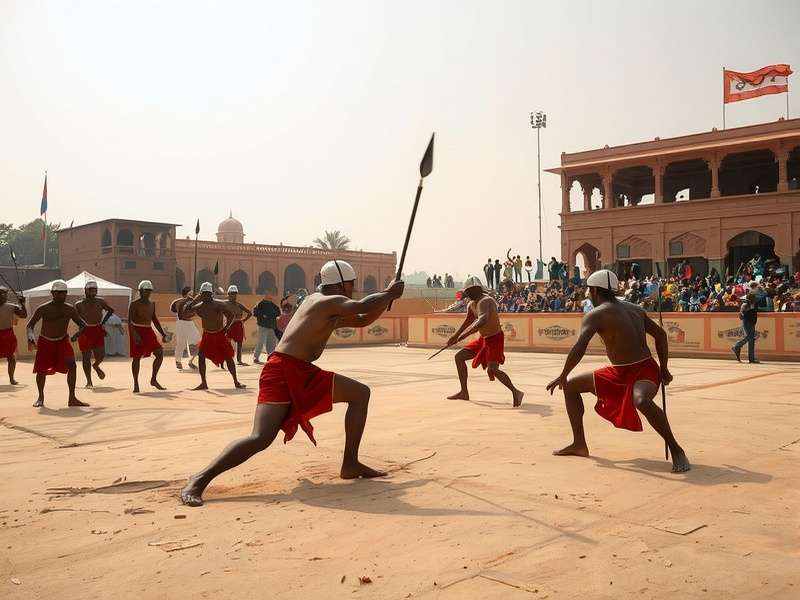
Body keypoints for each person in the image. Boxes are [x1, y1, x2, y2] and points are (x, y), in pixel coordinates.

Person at [179, 260, 404, 507]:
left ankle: (350, 464)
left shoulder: (323, 305)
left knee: (360, 394)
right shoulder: (325, 301)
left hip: (302, 370)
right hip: (281, 370)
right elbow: (361, 305)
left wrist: (386, 298)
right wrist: (387, 293)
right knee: (260, 438)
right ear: (341, 283)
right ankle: (199, 479)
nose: (352, 289)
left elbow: (362, 319)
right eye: (351, 284)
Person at [545, 269, 690, 473]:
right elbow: (661, 335)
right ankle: (579, 444)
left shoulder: (597, 314)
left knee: (641, 400)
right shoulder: (635, 308)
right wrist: (564, 377)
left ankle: (676, 449)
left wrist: (663, 370)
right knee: (570, 387)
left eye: (588, 291)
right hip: (619, 373)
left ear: (595, 290)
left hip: (644, 371)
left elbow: (580, 346)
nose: (588, 295)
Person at [445, 277, 524, 406]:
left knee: (492, 369)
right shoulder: (472, 304)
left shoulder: (486, 301)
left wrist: (463, 336)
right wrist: (455, 335)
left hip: (495, 338)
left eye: (469, 292)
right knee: (459, 357)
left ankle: (516, 392)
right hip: (483, 339)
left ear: (476, 290)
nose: (468, 295)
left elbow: (483, 319)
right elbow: (468, 321)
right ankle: (464, 392)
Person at [26, 280, 89, 408]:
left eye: (64, 293)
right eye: (58, 293)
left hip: (62, 341)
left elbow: (83, 325)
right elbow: (30, 325)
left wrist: (77, 335)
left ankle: (72, 398)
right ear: (52, 293)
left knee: (72, 365)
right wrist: (31, 337)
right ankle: (40, 398)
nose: (62, 295)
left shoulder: (70, 309)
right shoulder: (43, 308)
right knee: (41, 370)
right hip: (45, 341)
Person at [182, 282, 245, 390]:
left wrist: (226, 328)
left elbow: (231, 315)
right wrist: (196, 298)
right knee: (201, 356)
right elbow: (185, 311)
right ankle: (203, 383)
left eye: (208, 293)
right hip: (207, 335)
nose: (206, 296)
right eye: (204, 294)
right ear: (201, 294)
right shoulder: (199, 306)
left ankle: (236, 381)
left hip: (219, 334)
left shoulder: (218, 304)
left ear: (211, 294)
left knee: (228, 357)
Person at [128, 280, 167, 393]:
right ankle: (136, 383)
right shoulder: (134, 304)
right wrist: (135, 335)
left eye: (149, 291)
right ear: (140, 291)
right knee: (136, 357)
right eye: (146, 291)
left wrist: (163, 333)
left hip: (148, 330)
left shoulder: (152, 304)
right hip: (136, 329)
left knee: (159, 353)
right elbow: (130, 321)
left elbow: (154, 319)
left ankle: (153, 379)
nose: (148, 293)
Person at [75, 280, 114, 387]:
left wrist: (103, 323)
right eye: (90, 290)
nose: (92, 292)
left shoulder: (101, 302)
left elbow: (110, 310)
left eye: (94, 290)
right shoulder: (78, 304)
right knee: (86, 356)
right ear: (85, 291)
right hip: (85, 331)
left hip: (97, 329)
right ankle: (89, 381)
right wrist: (79, 332)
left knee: (101, 355)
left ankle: (96, 365)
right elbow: (75, 318)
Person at [0, 285, 27, 385]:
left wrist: (22, 303)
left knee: (11, 357)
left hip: (8, 334)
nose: (2, 296)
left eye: (4, 294)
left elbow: (24, 315)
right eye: (0, 294)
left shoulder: (12, 307)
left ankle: (11, 378)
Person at [170, 286, 200, 370]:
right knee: (181, 343)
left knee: (197, 341)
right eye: (190, 293)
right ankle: (178, 361)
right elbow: (174, 309)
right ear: (186, 293)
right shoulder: (180, 302)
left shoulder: (190, 301)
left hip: (189, 323)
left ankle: (191, 360)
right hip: (182, 323)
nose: (191, 294)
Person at [223, 285, 253, 366]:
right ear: (228, 294)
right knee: (227, 342)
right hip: (229, 326)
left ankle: (239, 360)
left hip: (238, 325)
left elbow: (250, 313)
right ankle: (226, 358)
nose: (234, 295)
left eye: (235, 294)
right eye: (232, 293)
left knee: (239, 343)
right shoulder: (224, 304)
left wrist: (243, 320)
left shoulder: (239, 305)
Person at [252, 292, 281, 364]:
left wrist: (268, 316)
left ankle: (271, 357)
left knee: (271, 343)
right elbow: (255, 313)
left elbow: (278, 313)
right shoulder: (260, 304)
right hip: (263, 326)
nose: (270, 297)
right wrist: (263, 316)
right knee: (261, 342)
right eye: (268, 296)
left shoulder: (274, 306)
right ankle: (256, 357)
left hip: (271, 326)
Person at [732, 293, 760, 364]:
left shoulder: (751, 305)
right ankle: (737, 346)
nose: (755, 300)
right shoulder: (746, 305)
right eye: (753, 299)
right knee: (749, 337)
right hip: (747, 322)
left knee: (751, 339)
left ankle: (751, 358)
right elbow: (741, 316)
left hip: (751, 322)